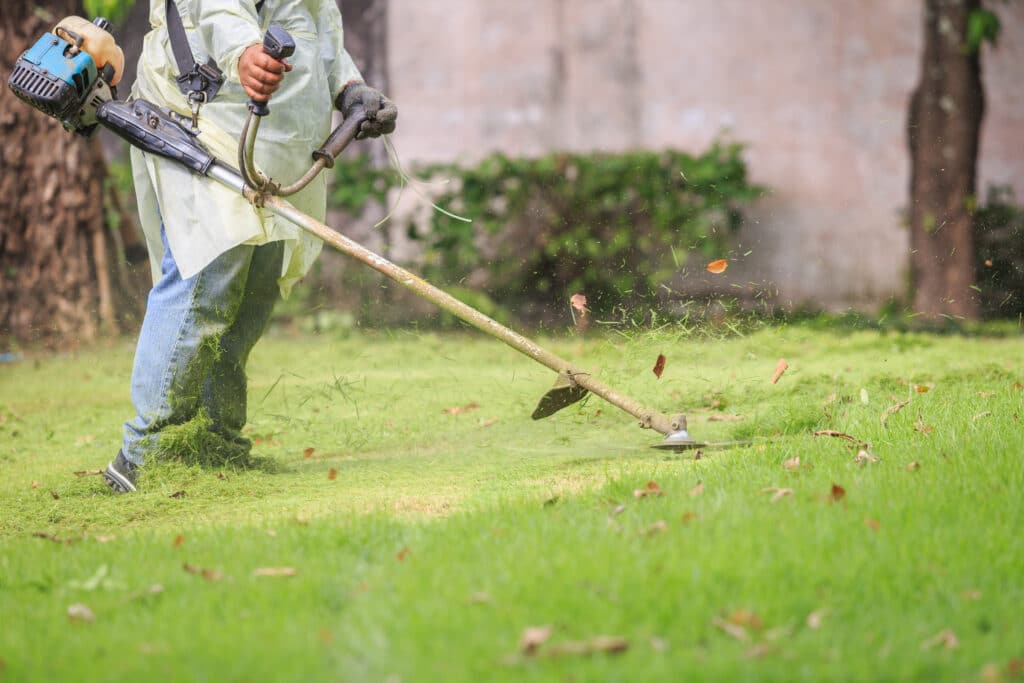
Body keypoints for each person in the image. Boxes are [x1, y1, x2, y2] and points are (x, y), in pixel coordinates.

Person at [102, 0, 396, 493]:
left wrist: (349, 87)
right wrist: (243, 53)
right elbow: (217, 11)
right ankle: (144, 452)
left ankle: (215, 439)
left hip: (277, 139)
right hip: (205, 121)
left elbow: (314, 18)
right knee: (206, 279)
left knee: (254, 289)